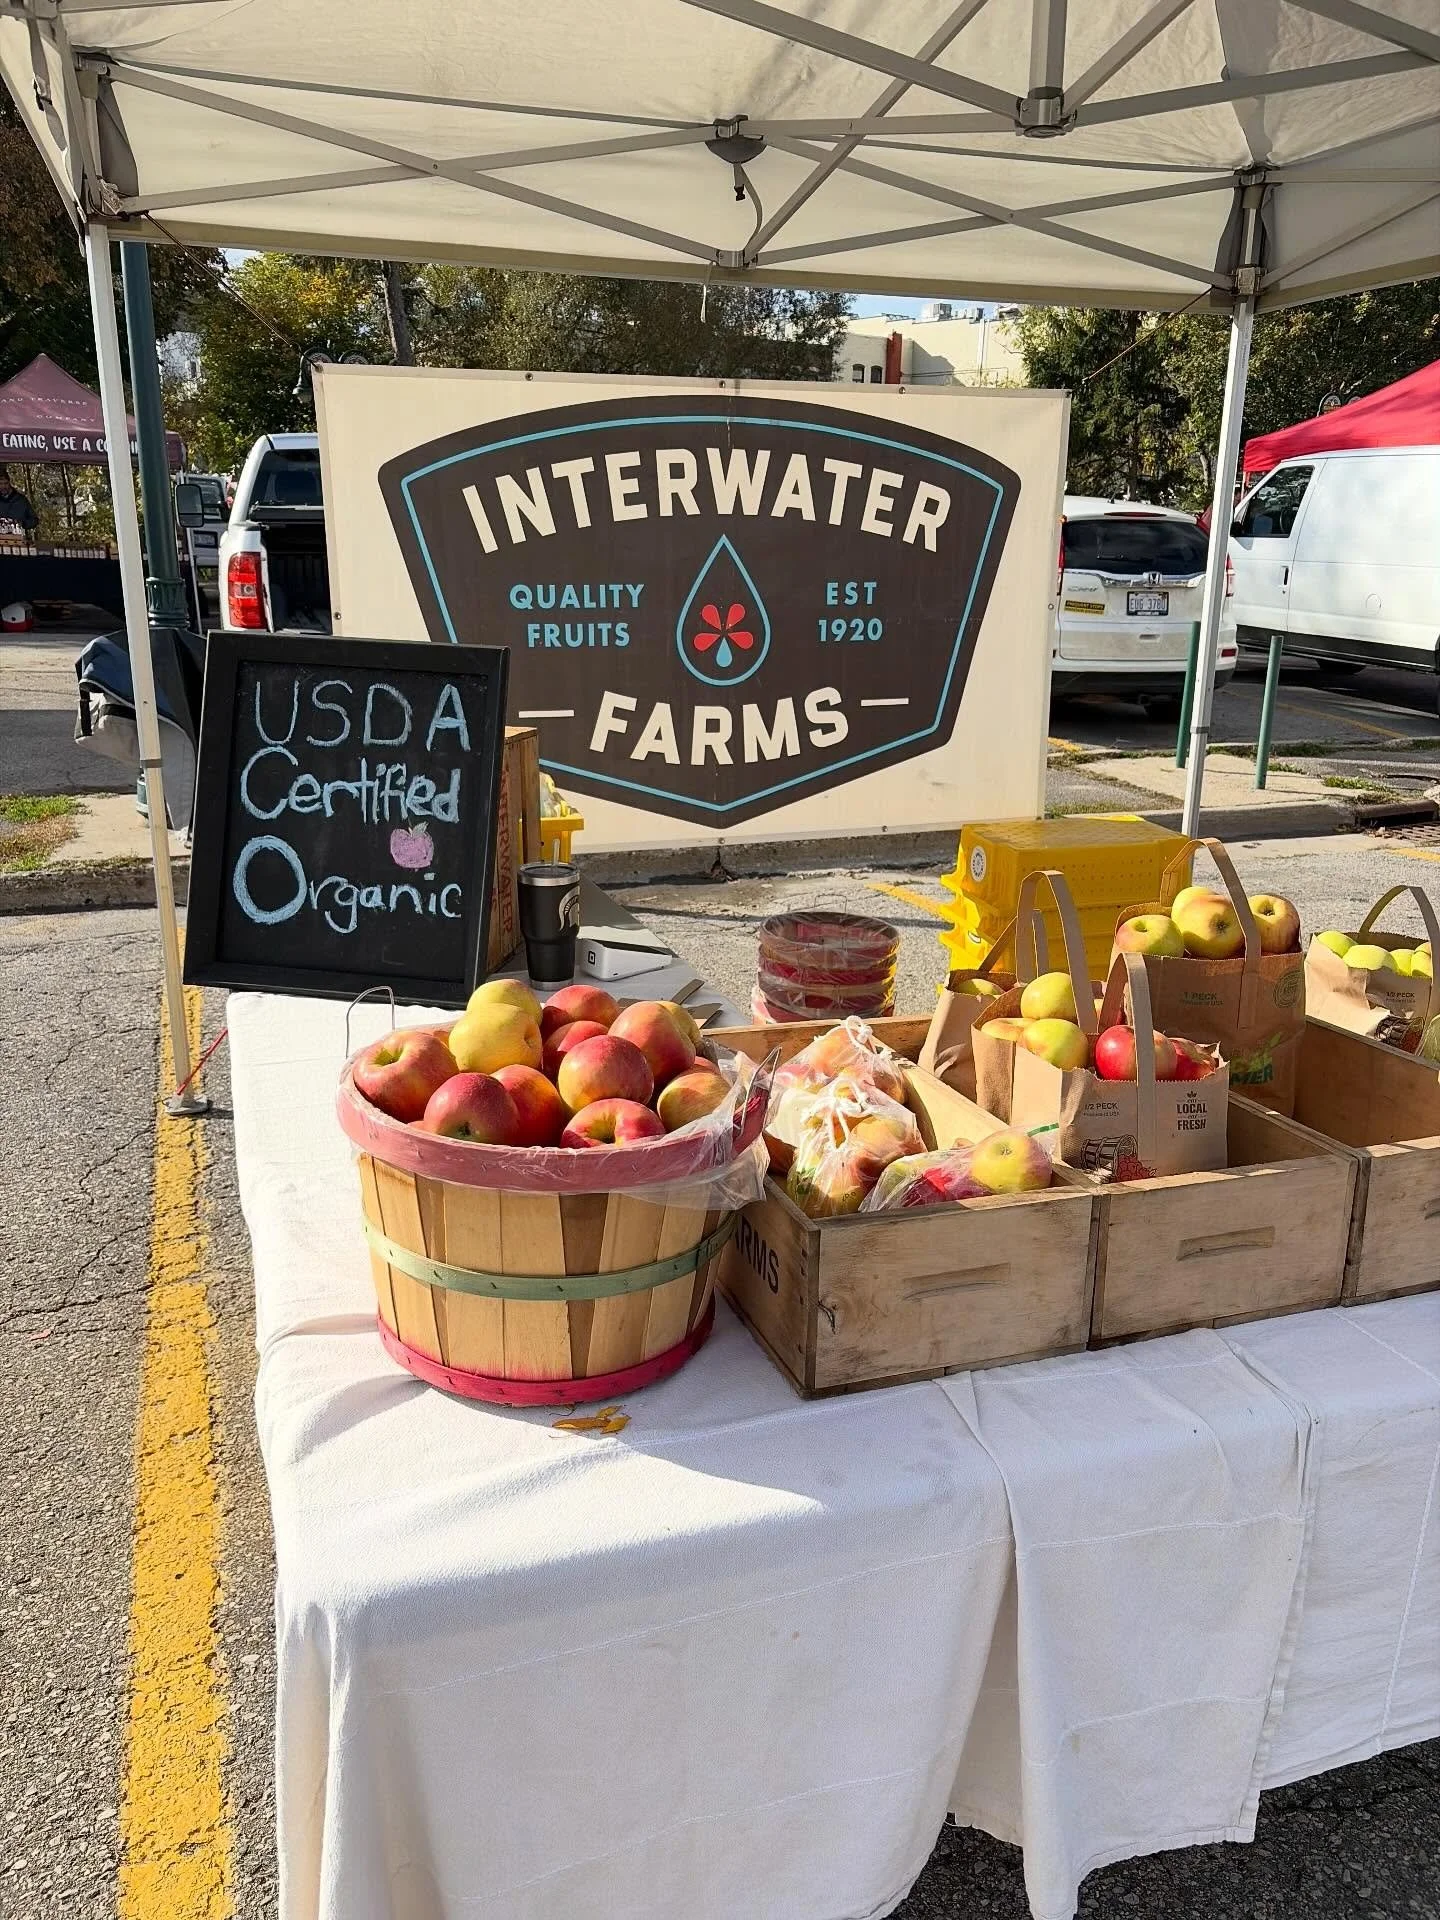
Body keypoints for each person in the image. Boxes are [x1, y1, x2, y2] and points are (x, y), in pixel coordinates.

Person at [0, 468, 38, 536]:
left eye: (5, 483)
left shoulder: (22, 500)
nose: (3, 486)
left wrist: (23, 523)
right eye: (0, 484)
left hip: (19, 541)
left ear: (9, 482)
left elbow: (34, 520)